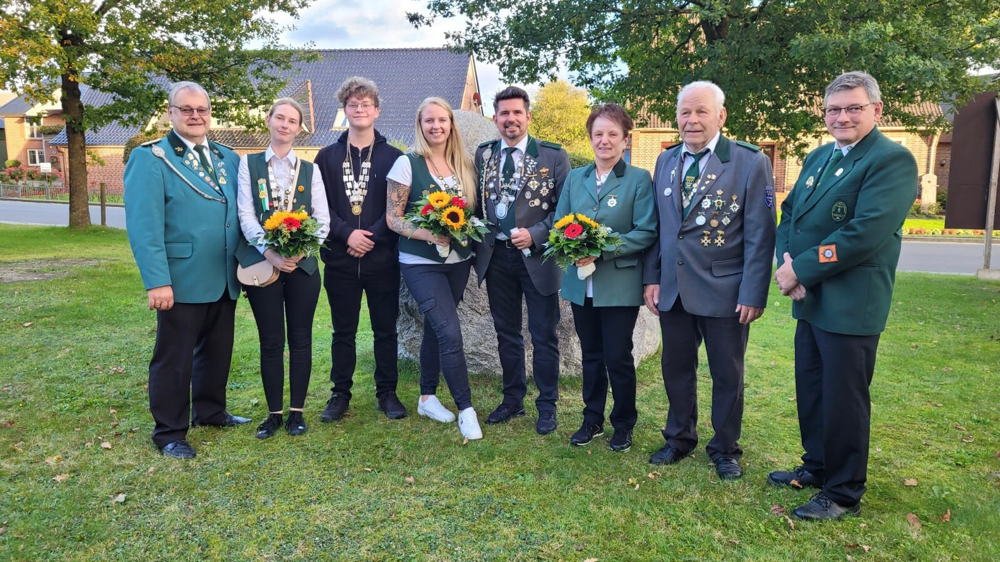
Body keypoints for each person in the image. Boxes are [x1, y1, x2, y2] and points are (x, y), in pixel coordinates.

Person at [771, 71, 917, 520]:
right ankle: (817, 465)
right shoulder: (819, 157)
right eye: (834, 109)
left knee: (844, 398)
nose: (843, 116)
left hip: (851, 302)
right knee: (813, 389)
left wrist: (802, 268)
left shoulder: (891, 160)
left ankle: (843, 492)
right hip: (810, 298)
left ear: (876, 110)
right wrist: (786, 263)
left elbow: (864, 232)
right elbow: (790, 212)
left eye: (853, 107)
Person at [643, 81, 776, 479]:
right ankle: (679, 438)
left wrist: (753, 291)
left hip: (726, 290)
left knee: (726, 372)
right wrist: (652, 278)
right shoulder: (666, 161)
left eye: (701, 111)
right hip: (675, 291)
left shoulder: (749, 161)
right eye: (685, 112)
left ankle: (725, 449)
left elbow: (760, 234)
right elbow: (660, 228)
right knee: (676, 368)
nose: (692, 120)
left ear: (721, 116)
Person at [124, 81, 251, 459]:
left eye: (202, 109)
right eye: (187, 109)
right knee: (173, 358)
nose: (196, 116)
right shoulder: (151, 158)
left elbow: (239, 217)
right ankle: (169, 433)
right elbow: (145, 227)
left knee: (217, 349)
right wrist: (157, 280)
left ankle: (210, 411)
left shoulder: (229, 157)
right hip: (179, 278)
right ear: (171, 113)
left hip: (224, 274)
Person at [556, 103, 657, 452]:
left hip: (619, 284)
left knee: (618, 356)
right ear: (590, 138)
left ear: (625, 140)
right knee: (591, 355)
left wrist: (602, 248)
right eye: (598, 134)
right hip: (580, 284)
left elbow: (647, 231)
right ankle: (592, 418)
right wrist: (571, 246)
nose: (604, 140)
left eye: (612, 134)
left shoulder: (639, 180)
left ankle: (624, 422)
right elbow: (560, 224)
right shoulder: (575, 177)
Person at [473, 86, 570, 435]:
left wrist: (537, 234)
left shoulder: (553, 156)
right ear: (495, 119)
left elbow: (564, 208)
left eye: (517, 113)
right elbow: (476, 204)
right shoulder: (483, 155)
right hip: (496, 256)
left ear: (528, 116)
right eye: (503, 113)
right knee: (506, 333)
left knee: (543, 334)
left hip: (538, 259)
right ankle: (513, 399)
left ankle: (547, 405)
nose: (510, 119)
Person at [386, 97, 483, 440]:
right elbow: (393, 218)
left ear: (451, 124)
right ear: (420, 124)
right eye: (429, 120)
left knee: (437, 329)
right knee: (451, 333)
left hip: (459, 262)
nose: (436, 126)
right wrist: (429, 233)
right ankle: (466, 409)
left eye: (442, 120)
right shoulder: (407, 163)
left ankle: (427, 396)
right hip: (420, 263)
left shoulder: (464, 164)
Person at [235, 98, 330, 439]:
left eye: (292, 121)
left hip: (302, 267)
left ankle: (297, 413)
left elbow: (322, 220)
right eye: (279, 118)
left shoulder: (310, 170)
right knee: (271, 340)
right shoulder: (249, 165)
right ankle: (274, 413)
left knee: (301, 339)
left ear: (299, 128)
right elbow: (245, 214)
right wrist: (270, 252)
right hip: (263, 265)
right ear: (268, 120)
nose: (285, 125)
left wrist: (299, 251)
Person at [314, 77, 407, 423]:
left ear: (377, 110)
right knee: (343, 332)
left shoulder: (395, 157)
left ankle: (387, 392)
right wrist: (346, 235)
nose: (359, 110)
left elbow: (400, 205)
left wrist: (370, 236)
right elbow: (319, 207)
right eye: (353, 105)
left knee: (386, 329)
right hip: (339, 260)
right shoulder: (326, 157)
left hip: (382, 259)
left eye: (366, 104)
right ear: (344, 111)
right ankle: (340, 393)